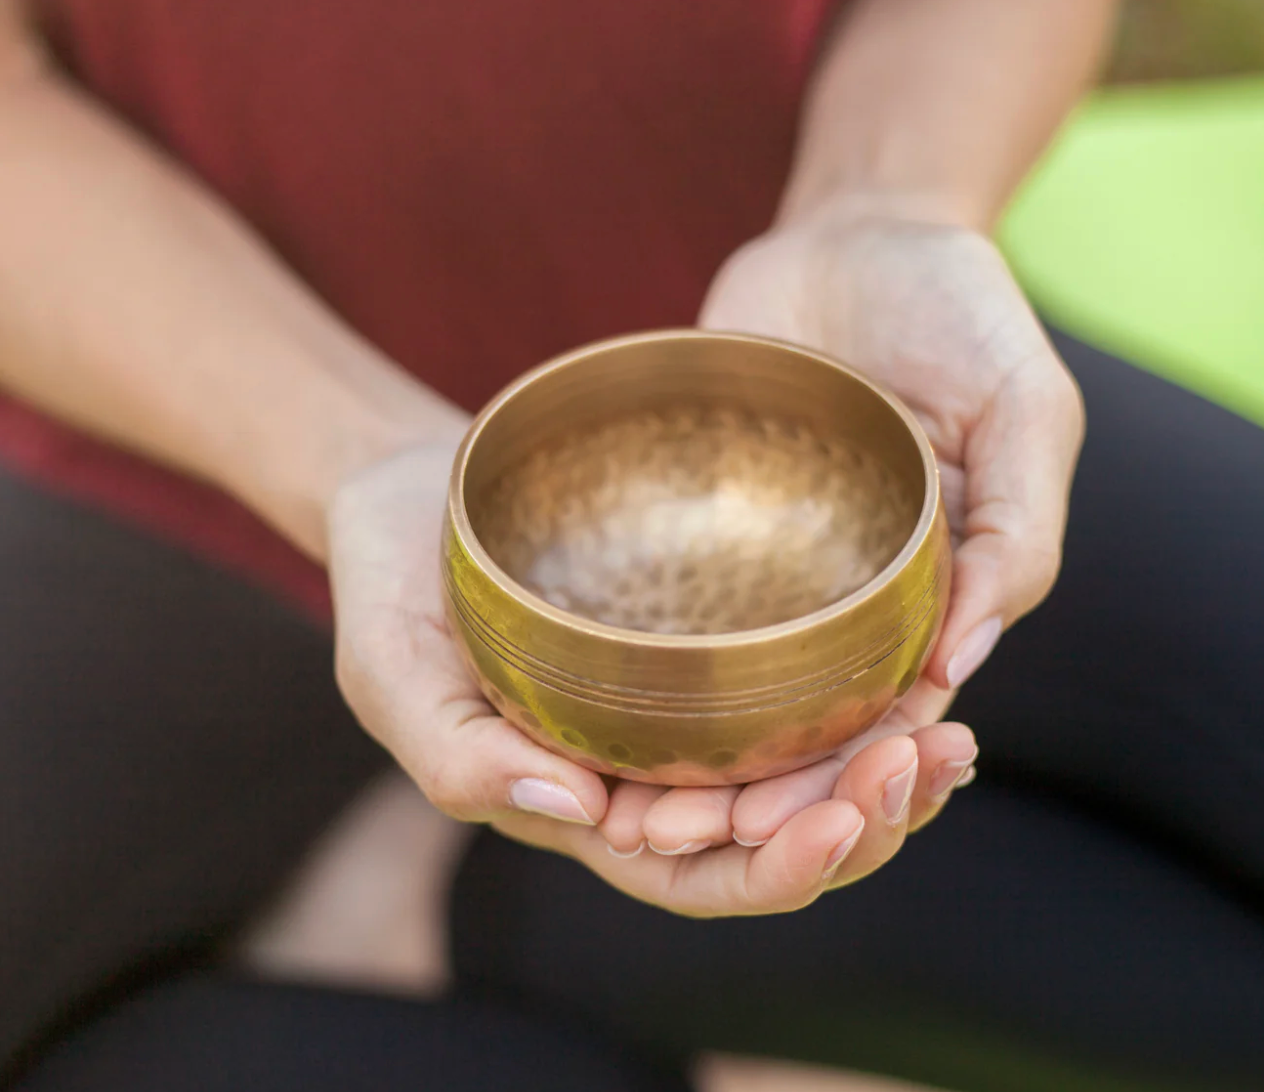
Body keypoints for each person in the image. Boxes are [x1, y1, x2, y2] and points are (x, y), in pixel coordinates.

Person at [1, 0, 1261, 1089]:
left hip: (829, 345)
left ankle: (465, 915)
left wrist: (885, 203)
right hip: (175, 460)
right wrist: (353, 460)